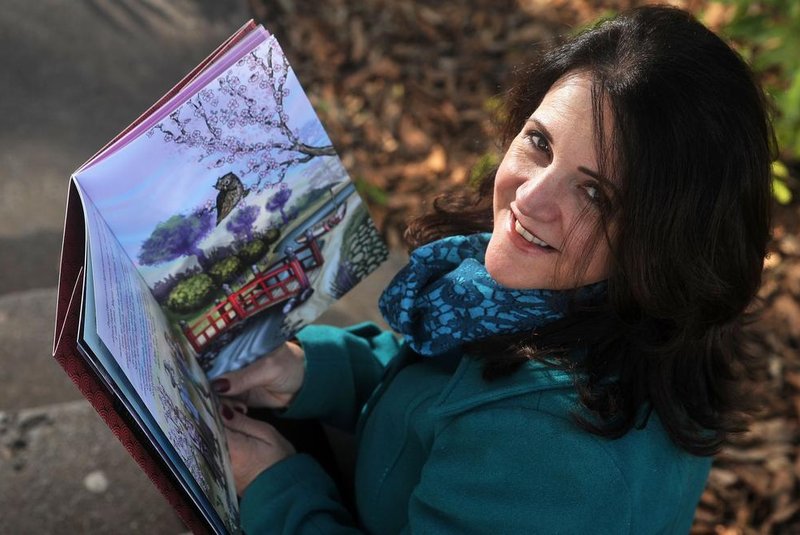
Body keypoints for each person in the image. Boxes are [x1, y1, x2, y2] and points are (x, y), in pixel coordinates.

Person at [212, 5, 774, 533]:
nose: (530, 197)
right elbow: (442, 394)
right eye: (540, 142)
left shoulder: (550, 453)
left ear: (666, 241)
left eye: (596, 195)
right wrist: (307, 374)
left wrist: (273, 485)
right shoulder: (585, 307)